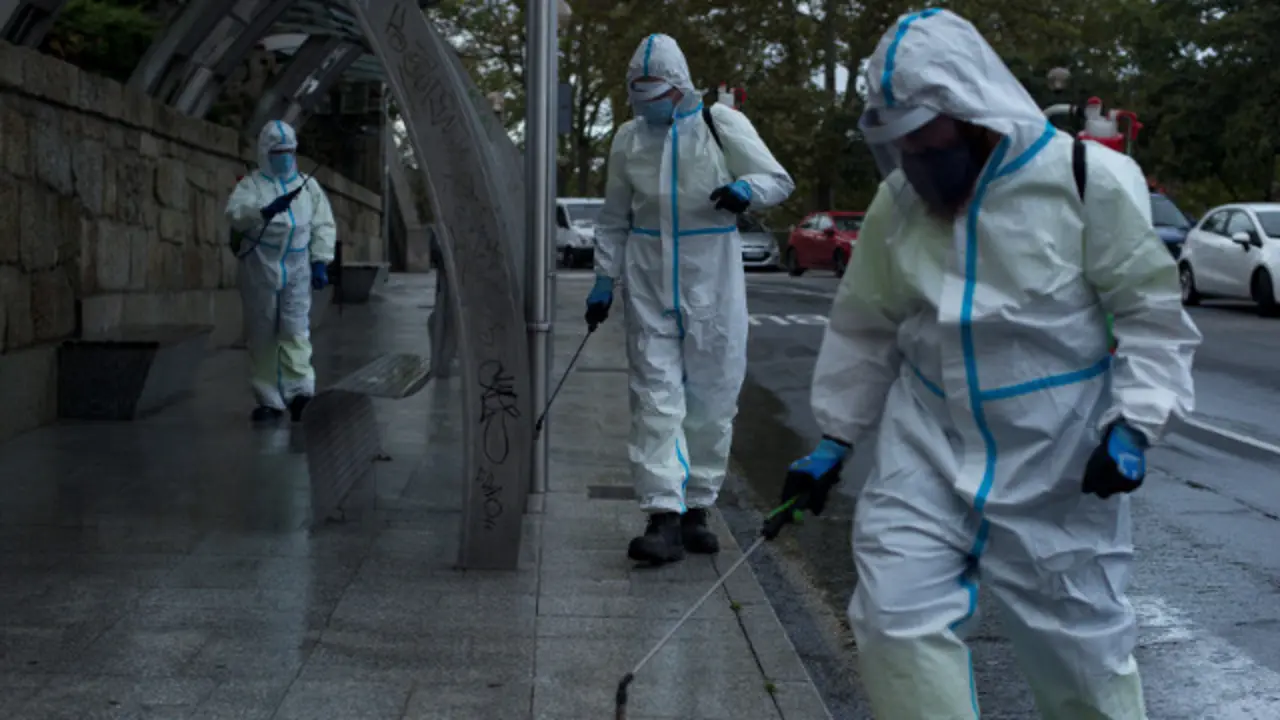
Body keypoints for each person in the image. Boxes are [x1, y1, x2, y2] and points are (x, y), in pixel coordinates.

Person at [778, 9, 1200, 719]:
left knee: (1083, 661)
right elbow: (864, 325)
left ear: (970, 110)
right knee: (894, 620)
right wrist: (834, 436)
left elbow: (1151, 317)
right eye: (900, 145)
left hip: (1054, 453)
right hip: (929, 446)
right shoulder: (900, 200)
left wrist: (1135, 425)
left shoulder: (1086, 179)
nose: (914, 158)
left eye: (926, 138)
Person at [589, 33, 794, 565]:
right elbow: (614, 218)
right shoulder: (629, 139)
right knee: (655, 394)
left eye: (653, 92)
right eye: (637, 93)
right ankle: (662, 514)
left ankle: (698, 505)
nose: (645, 103)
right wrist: (604, 280)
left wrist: (745, 191)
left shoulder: (720, 124)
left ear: (678, 87)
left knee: (713, 396)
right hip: (649, 274)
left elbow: (776, 179)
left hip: (713, 274)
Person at [225, 121, 337, 423]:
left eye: (289, 151)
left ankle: (300, 392)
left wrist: (320, 261)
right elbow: (235, 215)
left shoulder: (308, 187)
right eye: (278, 152)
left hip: (297, 267)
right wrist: (262, 211)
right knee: (262, 332)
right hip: (260, 266)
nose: (284, 157)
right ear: (265, 152)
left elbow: (323, 224)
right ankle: (269, 400)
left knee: (295, 329)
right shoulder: (252, 185)